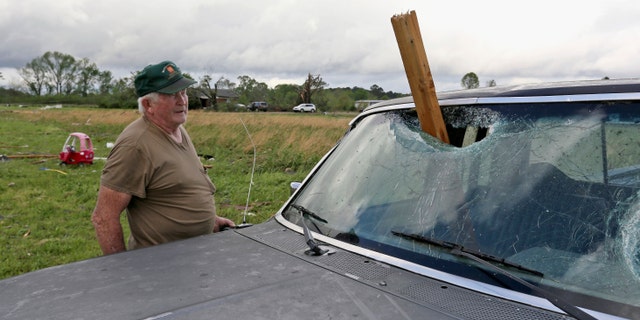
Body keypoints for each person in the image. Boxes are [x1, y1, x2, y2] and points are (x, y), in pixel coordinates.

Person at [91, 60, 235, 255]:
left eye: (183, 92)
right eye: (171, 95)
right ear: (148, 104)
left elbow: (176, 188)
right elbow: (104, 217)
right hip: (160, 265)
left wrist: (211, 221)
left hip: (193, 257)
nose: (182, 101)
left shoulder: (177, 129)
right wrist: (122, 274)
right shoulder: (135, 145)